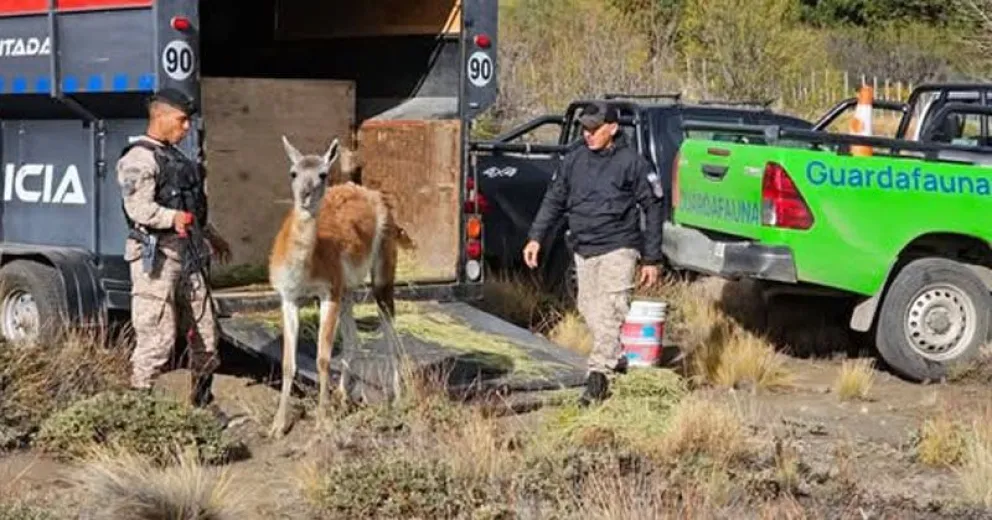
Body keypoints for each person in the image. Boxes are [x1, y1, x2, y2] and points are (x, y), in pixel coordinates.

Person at [523, 101, 664, 406]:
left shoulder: (633, 163)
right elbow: (554, 200)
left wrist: (652, 258)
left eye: (595, 129)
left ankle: (597, 379)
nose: (588, 134)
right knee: (589, 308)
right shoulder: (574, 161)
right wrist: (536, 237)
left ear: (612, 128)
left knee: (612, 310)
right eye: (585, 128)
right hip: (584, 248)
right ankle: (616, 357)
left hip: (619, 247)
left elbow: (653, 207)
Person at [117, 88, 232, 419]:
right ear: (160, 116)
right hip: (157, 259)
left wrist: (211, 236)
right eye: (181, 121)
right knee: (157, 338)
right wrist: (171, 219)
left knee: (207, 334)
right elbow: (138, 208)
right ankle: (140, 412)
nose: (185, 128)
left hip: (190, 254)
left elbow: (189, 206)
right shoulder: (138, 160)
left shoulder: (177, 158)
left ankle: (202, 404)